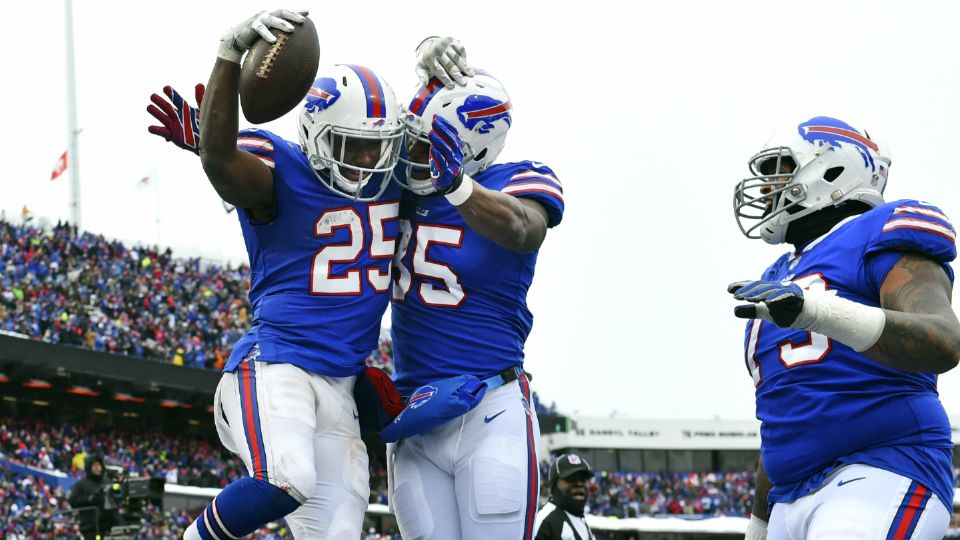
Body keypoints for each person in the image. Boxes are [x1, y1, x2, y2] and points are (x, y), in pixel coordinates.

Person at [154, 9, 405, 540]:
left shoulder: (396, 181)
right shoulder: (281, 171)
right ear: (315, 134)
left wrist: (434, 66)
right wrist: (229, 56)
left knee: (338, 534)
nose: (367, 158)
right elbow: (222, 159)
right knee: (286, 477)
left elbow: (452, 146)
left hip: (343, 385)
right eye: (352, 144)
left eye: (376, 145)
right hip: (277, 364)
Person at [728, 116, 960, 539]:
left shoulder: (876, 232)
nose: (764, 189)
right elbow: (786, 416)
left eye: (779, 169)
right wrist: (758, 526)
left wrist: (817, 312)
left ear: (832, 168)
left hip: (881, 467)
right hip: (788, 495)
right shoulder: (777, 275)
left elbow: (944, 340)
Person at [383, 39, 564, 540]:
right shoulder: (395, 185)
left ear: (471, 146)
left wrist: (458, 188)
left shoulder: (518, 181)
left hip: (490, 405)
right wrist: (423, 49)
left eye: (422, 142)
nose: (409, 151)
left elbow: (523, 228)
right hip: (415, 411)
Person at [533, 454, 596, 540]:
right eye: (571, 479)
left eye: (583, 479)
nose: (579, 484)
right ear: (554, 484)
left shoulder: (578, 517)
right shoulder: (544, 521)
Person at [67, 454, 116, 539]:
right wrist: (89, 499)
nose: (97, 467)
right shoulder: (81, 484)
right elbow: (73, 501)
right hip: (91, 526)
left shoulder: (107, 482)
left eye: (99, 465)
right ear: (89, 467)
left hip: (110, 523)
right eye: (94, 465)